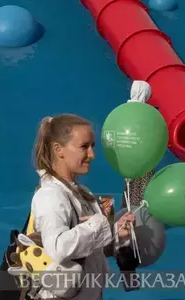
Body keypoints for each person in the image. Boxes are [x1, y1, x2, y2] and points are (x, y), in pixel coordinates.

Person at [28, 114, 136, 299]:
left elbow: (89, 247)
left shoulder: (82, 192)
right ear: (58, 149)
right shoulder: (50, 195)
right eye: (84, 147)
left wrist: (116, 233)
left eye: (93, 146)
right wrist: (100, 224)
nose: (92, 154)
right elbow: (58, 248)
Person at [122, 81, 155, 208]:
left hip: (128, 156)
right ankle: (142, 212)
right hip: (145, 156)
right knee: (144, 185)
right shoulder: (147, 112)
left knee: (130, 185)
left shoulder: (124, 110)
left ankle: (127, 210)